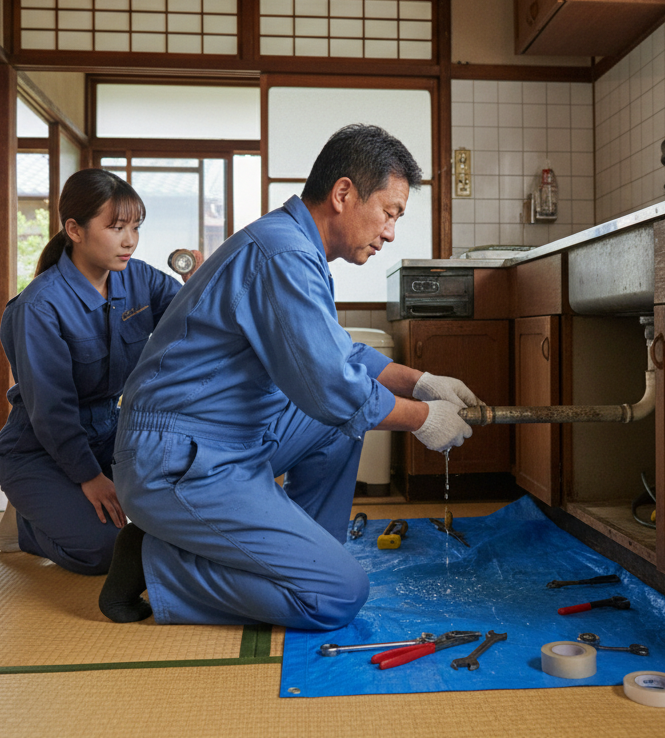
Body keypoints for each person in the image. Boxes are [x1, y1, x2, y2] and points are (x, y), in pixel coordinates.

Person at [99, 124, 481, 628]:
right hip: (176, 460)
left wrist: (421, 381)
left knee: (339, 426)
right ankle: (157, 563)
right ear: (343, 193)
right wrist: (422, 418)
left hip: (225, 440)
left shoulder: (293, 245)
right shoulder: (283, 254)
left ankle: (305, 554)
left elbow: (338, 353)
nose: (390, 232)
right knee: (337, 596)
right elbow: (333, 387)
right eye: (389, 213)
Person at [0, 168, 199, 575]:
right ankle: (25, 524)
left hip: (110, 433)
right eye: (116, 227)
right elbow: (51, 409)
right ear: (75, 230)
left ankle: (59, 505)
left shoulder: (138, 277)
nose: (130, 240)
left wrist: (198, 285)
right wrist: (89, 477)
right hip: (40, 448)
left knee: (193, 494)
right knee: (107, 550)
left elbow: (195, 326)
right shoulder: (39, 307)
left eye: (135, 227)